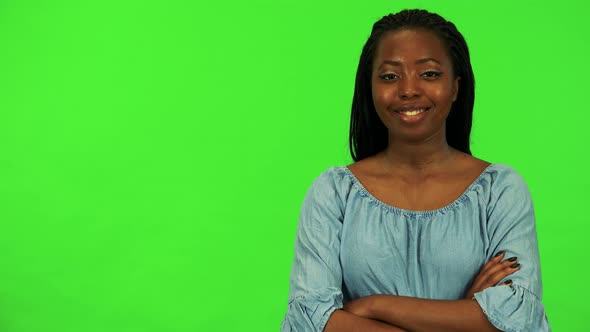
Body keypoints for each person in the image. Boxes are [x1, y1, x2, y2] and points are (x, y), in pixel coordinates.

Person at [281, 9, 551, 332]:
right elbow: (308, 321)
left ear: (455, 87)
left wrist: (371, 306)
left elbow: (519, 318)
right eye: (390, 76)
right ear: (370, 88)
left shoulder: (500, 191)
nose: (408, 90)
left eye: (429, 74)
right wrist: (465, 314)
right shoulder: (334, 193)